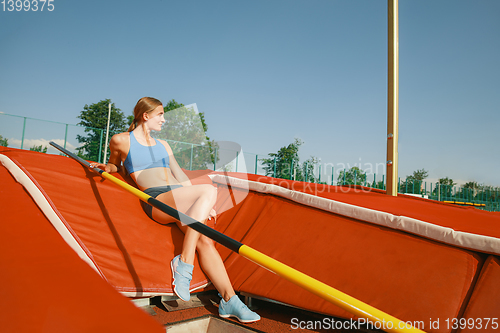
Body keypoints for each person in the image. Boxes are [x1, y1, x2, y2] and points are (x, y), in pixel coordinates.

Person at [91, 97, 260, 323]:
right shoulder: (122, 140)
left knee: (205, 242)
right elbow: (116, 165)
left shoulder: (163, 145)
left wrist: (203, 201)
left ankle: (229, 300)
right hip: (156, 199)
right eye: (160, 114)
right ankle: (185, 262)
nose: (164, 119)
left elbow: (180, 176)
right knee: (207, 190)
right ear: (146, 115)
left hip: (178, 195)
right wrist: (108, 167)